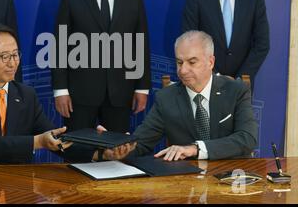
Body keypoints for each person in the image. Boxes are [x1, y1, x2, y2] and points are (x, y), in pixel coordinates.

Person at [0, 24, 98, 165]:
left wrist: (99, 152)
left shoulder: (26, 94)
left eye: (15, 55)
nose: (12, 63)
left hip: (15, 180)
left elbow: (53, 139)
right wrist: (38, 141)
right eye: (4, 56)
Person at [107, 30, 258, 161]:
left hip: (232, 177)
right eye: (179, 62)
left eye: (192, 62)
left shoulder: (236, 90)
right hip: (187, 181)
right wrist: (118, 146)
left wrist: (195, 149)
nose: (183, 71)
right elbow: (142, 143)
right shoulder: (166, 98)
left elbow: (247, 138)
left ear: (210, 62)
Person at [51, 0, 151, 133]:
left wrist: (142, 87)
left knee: (115, 154)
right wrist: (60, 90)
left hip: (121, 93)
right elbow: (60, 45)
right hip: (80, 94)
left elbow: (140, 43)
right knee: (78, 152)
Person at [182, 0, 269, 90]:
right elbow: (190, 40)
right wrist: (214, 76)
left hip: (242, 84)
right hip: (205, 81)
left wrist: (241, 77)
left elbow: (262, 44)